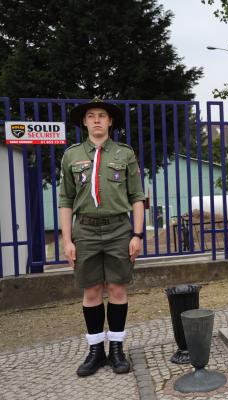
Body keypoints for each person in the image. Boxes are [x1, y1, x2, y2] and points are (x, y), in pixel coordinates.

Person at [59, 97, 145, 377]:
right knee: (92, 290)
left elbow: (137, 196)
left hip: (119, 229)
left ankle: (117, 349)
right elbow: (66, 199)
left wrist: (138, 234)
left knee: (118, 289)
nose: (96, 120)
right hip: (84, 230)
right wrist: (67, 240)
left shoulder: (124, 153)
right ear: (84, 122)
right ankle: (96, 350)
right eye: (91, 116)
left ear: (110, 122)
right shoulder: (71, 155)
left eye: (102, 115)